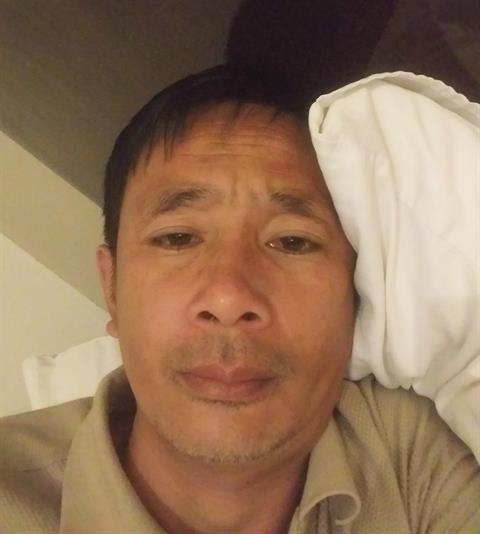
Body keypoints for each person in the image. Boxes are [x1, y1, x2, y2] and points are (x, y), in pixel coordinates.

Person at [1, 65, 479, 534]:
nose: (229, 297)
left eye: (292, 242)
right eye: (178, 238)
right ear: (112, 290)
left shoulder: (419, 459)